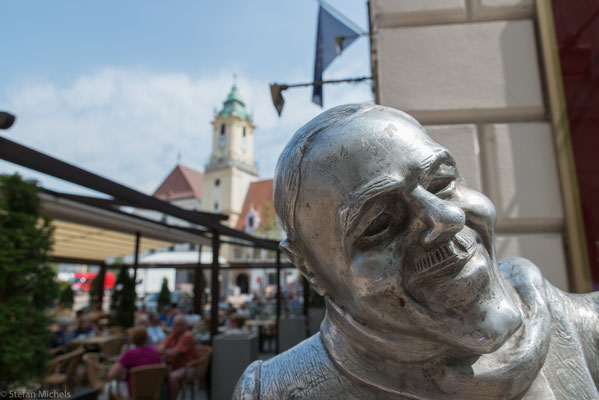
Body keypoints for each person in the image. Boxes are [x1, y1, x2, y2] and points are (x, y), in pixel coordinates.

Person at [233, 104, 599, 399]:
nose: (447, 218)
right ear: (310, 269)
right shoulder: (277, 392)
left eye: (441, 184)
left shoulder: (588, 328)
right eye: (378, 223)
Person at [107, 327, 162, 397]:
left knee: (109, 387)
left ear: (133, 339)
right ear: (146, 338)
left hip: (134, 393)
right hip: (152, 392)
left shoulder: (129, 354)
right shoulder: (155, 352)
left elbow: (111, 375)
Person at [159, 315, 199, 400]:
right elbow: (161, 347)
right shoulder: (174, 334)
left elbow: (175, 353)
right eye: (174, 324)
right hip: (176, 365)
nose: (175, 326)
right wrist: (165, 350)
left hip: (189, 366)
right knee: (159, 374)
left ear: (185, 326)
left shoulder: (187, 335)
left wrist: (164, 351)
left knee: (173, 377)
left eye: (178, 324)